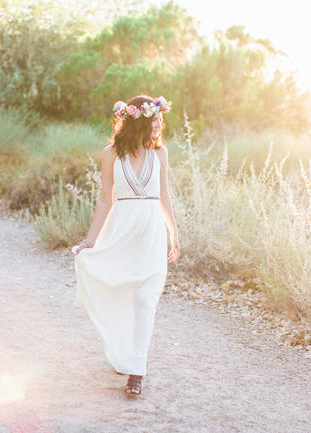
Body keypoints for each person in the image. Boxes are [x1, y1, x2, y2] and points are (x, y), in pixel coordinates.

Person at [72, 94, 180, 396]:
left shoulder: (161, 154)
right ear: (142, 122)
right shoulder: (111, 154)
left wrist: (174, 233)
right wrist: (90, 240)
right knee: (120, 293)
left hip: (151, 234)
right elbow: (105, 199)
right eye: (155, 120)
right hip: (121, 232)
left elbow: (165, 196)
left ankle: (136, 371)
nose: (160, 125)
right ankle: (122, 353)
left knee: (146, 299)